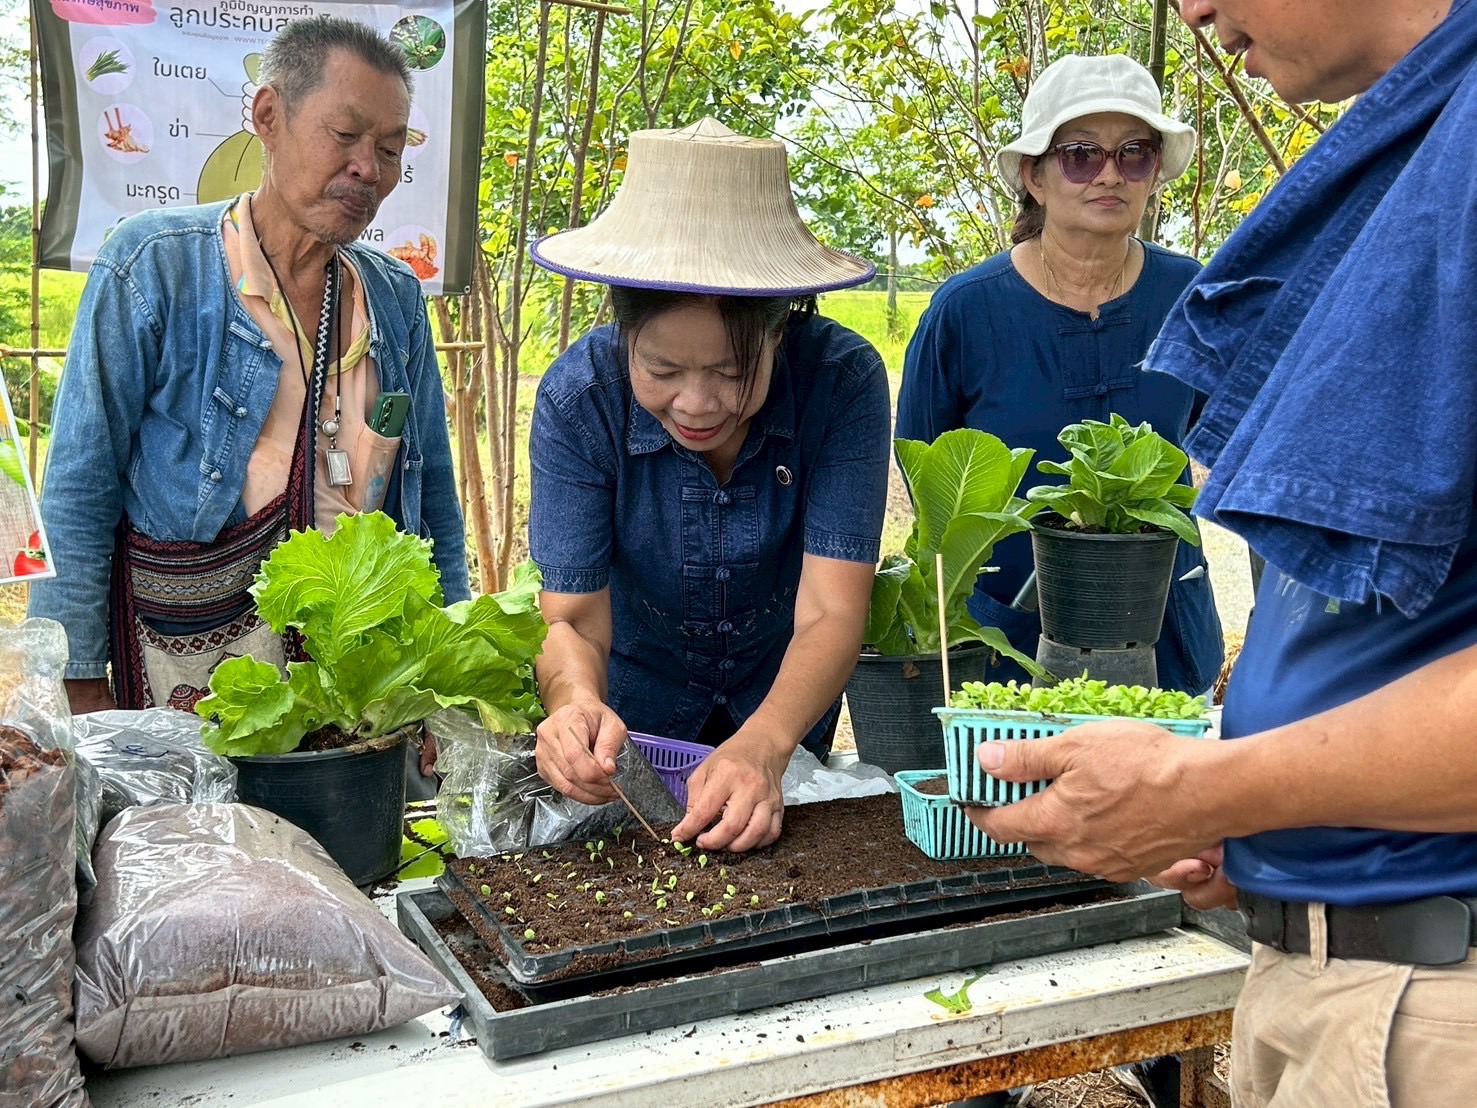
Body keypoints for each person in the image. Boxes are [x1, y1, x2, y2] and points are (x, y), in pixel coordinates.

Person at [970, 2, 1477, 1105]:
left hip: (1433, 1001)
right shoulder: (1421, 154)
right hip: (1345, 972)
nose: (1193, 9)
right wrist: (1248, 810)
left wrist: (1210, 785)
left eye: (1132, 152)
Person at [29, 16, 468, 750]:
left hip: (355, 690)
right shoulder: (154, 266)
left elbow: (435, 508)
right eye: (345, 135)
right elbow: (79, 488)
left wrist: (446, 680)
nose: (369, 168)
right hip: (184, 676)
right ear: (268, 116)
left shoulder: (393, 299)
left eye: (391, 150)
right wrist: (78, 688)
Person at [527, 118, 890, 853]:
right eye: (660, 371)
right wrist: (574, 704)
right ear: (623, 332)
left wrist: (765, 745)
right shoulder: (580, 398)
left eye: (732, 372)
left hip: (783, 714)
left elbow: (830, 608)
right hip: (636, 726)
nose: (695, 404)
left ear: (781, 329)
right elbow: (573, 619)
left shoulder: (841, 381)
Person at [896, 54, 1222, 695]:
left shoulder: (1190, 296)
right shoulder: (966, 311)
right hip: (1005, 643)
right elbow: (927, 476)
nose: (1110, 174)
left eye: (1134, 154)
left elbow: (1245, 444)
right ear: (1034, 176)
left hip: (1162, 635)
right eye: (1080, 155)